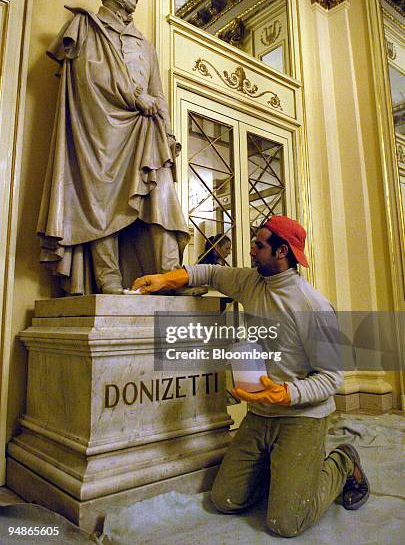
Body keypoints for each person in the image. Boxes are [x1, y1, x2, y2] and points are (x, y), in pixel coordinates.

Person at [131, 215, 369, 537]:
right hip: (260, 414)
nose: (252, 250)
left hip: (301, 417)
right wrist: (165, 280)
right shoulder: (250, 281)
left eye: (259, 245)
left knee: (286, 522)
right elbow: (211, 272)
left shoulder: (312, 306)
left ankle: (342, 461)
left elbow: (331, 378)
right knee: (225, 499)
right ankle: (284, 471)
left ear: (281, 251)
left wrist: (284, 393)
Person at [37, 0, 189, 294]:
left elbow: (157, 93)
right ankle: (107, 279)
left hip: (146, 130)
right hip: (99, 131)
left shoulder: (144, 43)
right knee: (100, 198)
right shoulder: (84, 28)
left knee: (160, 192)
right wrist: (136, 98)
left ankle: (168, 276)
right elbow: (86, 77)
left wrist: (167, 129)